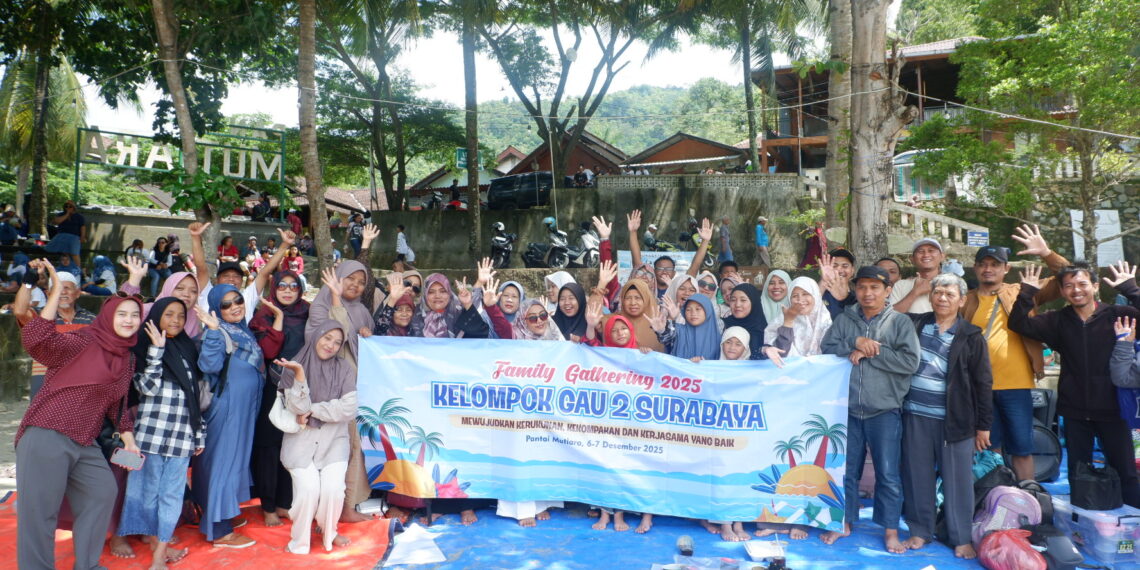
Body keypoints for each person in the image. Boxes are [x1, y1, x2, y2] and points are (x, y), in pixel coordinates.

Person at [16, 259, 143, 570]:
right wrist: (54, 292)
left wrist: (130, 442)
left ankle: (87, 564)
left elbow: (118, 406)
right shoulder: (83, 340)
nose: (128, 320)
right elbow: (36, 339)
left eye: (135, 315)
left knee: (103, 492)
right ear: (109, 316)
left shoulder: (125, 358)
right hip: (47, 432)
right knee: (40, 514)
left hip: (84, 441)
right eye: (122, 314)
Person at [1010, 261, 1140, 507]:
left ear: (1095, 286)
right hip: (1074, 411)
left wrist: (1132, 290)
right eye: (1068, 286)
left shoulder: (1117, 315)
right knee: (1079, 475)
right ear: (1061, 291)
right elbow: (1019, 324)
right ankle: (1082, 529)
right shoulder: (1057, 320)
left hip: (1114, 409)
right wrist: (1027, 292)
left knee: (1126, 475)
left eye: (1082, 284)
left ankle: (1132, 529)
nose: (1076, 290)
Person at [820, 265, 920, 553]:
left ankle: (890, 531)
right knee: (846, 471)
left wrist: (871, 351)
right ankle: (846, 522)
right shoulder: (845, 319)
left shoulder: (899, 322)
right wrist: (854, 341)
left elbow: (909, 363)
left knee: (887, 474)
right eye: (862, 287)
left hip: (884, 410)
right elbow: (827, 347)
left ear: (888, 291)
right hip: (848, 409)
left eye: (875, 287)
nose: (867, 293)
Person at [964, 226, 1068, 481]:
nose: (988, 269)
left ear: (1006, 269)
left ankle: (1028, 497)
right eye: (983, 264)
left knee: (1023, 448)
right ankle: (993, 500)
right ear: (975, 268)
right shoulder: (964, 300)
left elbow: (1065, 275)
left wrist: (1046, 253)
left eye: (995, 264)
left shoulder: (1023, 292)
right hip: (979, 388)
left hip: (1017, 385)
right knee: (989, 448)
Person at [901, 273, 993, 559]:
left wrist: (983, 426)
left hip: (955, 420)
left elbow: (983, 383)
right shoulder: (916, 325)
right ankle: (920, 530)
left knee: (958, 481)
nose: (942, 298)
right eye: (938, 292)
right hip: (915, 415)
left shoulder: (971, 336)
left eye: (949, 294)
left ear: (962, 300)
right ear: (931, 295)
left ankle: (961, 537)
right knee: (917, 477)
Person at [119, 299, 205, 569]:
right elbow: (146, 388)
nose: (176, 320)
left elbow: (195, 398)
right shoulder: (142, 348)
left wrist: (199, 435)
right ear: (156, 316)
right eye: (169, 314)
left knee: (172, 496)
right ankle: (152, 542)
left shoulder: (187, 350)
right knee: (144, 493)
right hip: (148, 440)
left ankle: (159, 554)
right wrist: (157, 350)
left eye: (181, 315)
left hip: (182, 439)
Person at [192, 285, 265, 547]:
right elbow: (208, 365)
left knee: (230, 462)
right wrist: (212, 330)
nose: (234, 306)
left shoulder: (240, 330)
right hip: (227, 408)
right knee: (223, 463)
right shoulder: (217, 330)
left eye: (237, 300)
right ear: (215, 309)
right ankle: (220, 531)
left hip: (241, 409)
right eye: (225, 304)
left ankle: (216, 515)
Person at [277, 321, 358, 554]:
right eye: (327, 338)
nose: (331, 345)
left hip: (334, 441)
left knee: (334, 489)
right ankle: (299, 540)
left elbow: (349, 408)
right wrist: (300, 377)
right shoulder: (294, 366)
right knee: (309, 490)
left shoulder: (344, 369)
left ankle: (329, 530)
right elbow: (296, 406)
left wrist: (314, 410)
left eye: (337, 342)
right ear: (316, 336)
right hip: (300, 444)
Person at [249, 271, 310, 527]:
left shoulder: (308, 313)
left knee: (293, 444)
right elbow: (269, 351)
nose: (287, 290)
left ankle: (285, 502)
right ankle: (268, 506)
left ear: (300, 290)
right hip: (271, 389)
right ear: (274, 289)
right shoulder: (262, 316)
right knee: (269, 450)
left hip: (298, 388)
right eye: (281, 286)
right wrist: (279, 318)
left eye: (293, 286)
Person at [762, 277, 832, 366]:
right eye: (794, 296)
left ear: (815, 296)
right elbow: (779, 354)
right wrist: (788, 322)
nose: (800, 300)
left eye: (805, 294)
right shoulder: (779, 321)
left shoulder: (825, 321)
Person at [654, 293, 721, 362]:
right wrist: (662, 329)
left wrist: (703, 364)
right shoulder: (678, 330)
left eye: (698, 309)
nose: (693, 313)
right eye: (688, 309)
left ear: (708, 310)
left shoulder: (718, 337)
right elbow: (667, 337)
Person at [889, 238, 946, 314]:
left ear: (942, 256)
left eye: (931, 250)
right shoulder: (901, 285)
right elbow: (890, 317)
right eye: (920, 251)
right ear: (912, 259)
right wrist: (915, 292)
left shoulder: (952, 283)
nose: (926, 255)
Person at [722, 283, 769, 359]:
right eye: (733, 300)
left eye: (743, 300)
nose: (737, 304)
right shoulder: (722, 326)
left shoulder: (765, 331)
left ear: (753, 302)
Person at [617, 279, 665, 352]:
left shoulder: (660, 322)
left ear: (646, 299)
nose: (633, 303)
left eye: (638, 298)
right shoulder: (615, 321)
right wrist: (601, 287)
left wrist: (662, 331)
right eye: (628, 298)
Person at [43, 200, 86, 270]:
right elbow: (56, 221)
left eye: (70, 206)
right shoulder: (61, 214)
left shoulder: (79, 217)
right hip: (62, 236)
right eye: (66, 206)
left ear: (74, 207)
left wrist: (82, 237)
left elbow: (83, 227)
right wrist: (67, 214)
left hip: (74, 237)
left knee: (75, 253)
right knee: (63, 253)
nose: (68, 208)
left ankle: (78, 270)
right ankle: (64, 267)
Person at [819, 249, 857, 319]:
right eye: (834, 266)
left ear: (852, 270)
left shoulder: (858, 295)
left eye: (845, 266)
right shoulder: (821, 291)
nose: (839, 270)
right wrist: (823, 282)